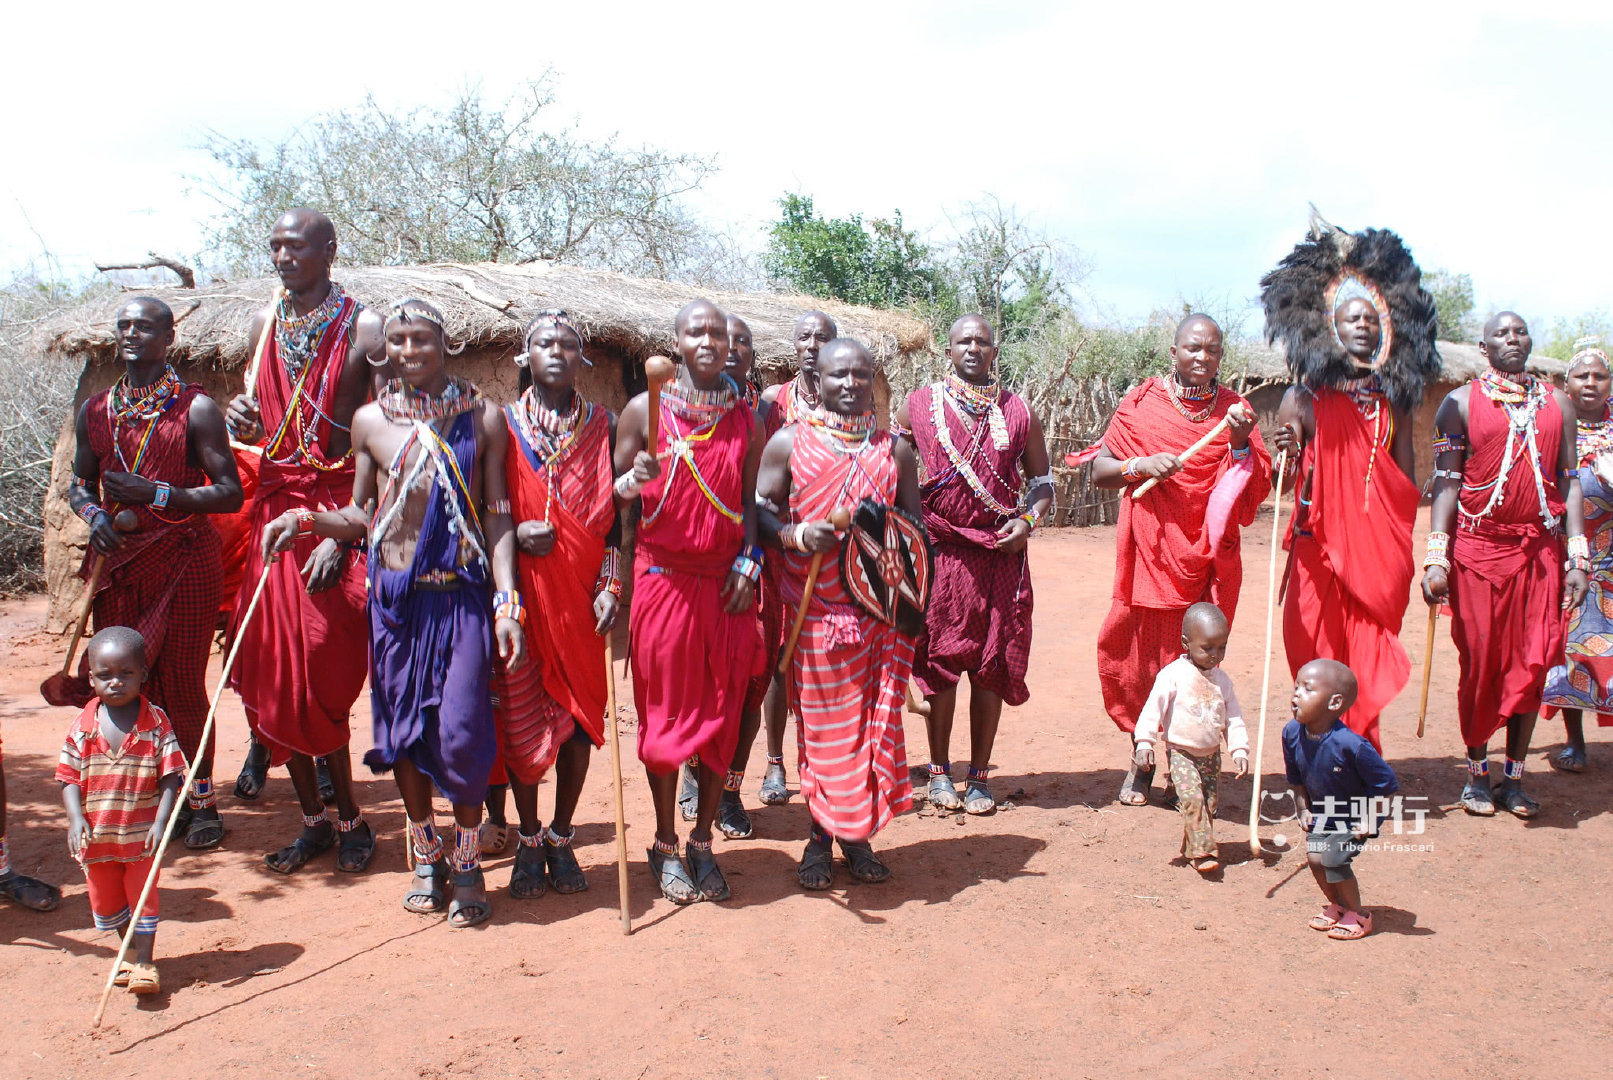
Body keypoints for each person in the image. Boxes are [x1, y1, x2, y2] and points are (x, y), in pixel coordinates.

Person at [262, 298, 525, 927]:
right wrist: (304, 519)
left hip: (458, 599)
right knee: (403, 734)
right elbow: (359, 515)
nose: (410, 351)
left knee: (462, 732)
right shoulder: (369, 422)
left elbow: (498, 516)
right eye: (399, 341)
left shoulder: (481, 417)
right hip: (395, 605)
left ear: (446, 346)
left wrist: (506, 600)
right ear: (385, 353)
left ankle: (468, 859)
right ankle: (427, 854)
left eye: (422, 339)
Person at [225, 208, 386, 875]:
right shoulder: (265, 325)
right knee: (274, 679)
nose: (283, 257)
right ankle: (318, 822)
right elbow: (261, 415)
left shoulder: (365, 328)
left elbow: (389, 435)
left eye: (296, 246)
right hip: (276, 516)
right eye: (275, 247)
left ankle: (352, 816)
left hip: (341, 513)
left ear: (329, 250)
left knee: (320, 671)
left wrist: (346, 538)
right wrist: (244, 414)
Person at [65, 297, 244, 850]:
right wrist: (93, 515)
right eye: (123, 325)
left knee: (183, 686)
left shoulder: (196, 410)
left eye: (144, 326)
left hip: (186, 558)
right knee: (128, 687)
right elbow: (77, 483)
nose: (131, 334)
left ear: (169, 336)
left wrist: (157, 493)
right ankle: (150, 797)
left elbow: (229, 493)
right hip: (119, 564)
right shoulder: (96, 411)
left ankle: (202, 800)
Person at [1074, 314, 1270, 806]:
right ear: (1174, 352)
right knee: (1141, 661)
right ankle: (1141, 762)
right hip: (1151, 552)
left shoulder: (1235, 412)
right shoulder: (1142, 405)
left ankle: (1191, 768)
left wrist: (1242, 443)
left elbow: (1255, 487)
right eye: (1193, 348)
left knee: (1198, 664)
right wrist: (1139, 465)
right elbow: (1100, 470)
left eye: (1213, 350)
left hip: (1206, 556)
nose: (1202, 357)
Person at [1263, 218, 1441, 751]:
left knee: (1359, 665)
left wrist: (1397, 540)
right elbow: (1284, 478)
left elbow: (1404, 472)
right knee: (1314, 662)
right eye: (1350, 318)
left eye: (1369, 318)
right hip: (1317, 555)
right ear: (1330, 328)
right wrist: (1286, 457)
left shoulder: (1396, 398)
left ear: (1384, 327)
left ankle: (1356, 762)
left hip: (1375, 552)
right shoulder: (1305, 398)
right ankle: (1313, 768)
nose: (1362, 325)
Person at [757, 338, 925, 888]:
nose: (849, 385)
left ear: (872, 379)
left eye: (859, 375)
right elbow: (759, 515)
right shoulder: (788, 442)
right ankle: (818, 836)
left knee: (869, 733)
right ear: (819, 379)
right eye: (838, 376)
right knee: (824, 734)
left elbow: (914, 534)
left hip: (877, 619)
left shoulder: (894, 450)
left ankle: (857, 837)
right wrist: (796, 533)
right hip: (818, 616)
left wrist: (886, 568)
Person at [614, 299, 763, 904]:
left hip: (726, 585)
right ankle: (664, 841)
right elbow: (612, 506)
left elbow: (753, 505)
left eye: (719, 334)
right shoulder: (641, 411)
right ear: (675, 341)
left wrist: (752, 561)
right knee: (667, 719)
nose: (709, 340)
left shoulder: (747, 420)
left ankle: (703, 839)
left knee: (722, 718)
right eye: (695, 332)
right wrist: (632, 481)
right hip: (664, 582)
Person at [1422, 312, 1588, 817]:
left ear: (1530, 341)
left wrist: (1577, 555)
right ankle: (1477, 773)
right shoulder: (1459, 404)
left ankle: (1513, 778)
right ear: (1483, 346)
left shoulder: (1558, 404)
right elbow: (1446, 484)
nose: (1512, 339)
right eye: (1502, 334)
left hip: (1540, 553)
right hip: (1475, 553)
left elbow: (1571, 482)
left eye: (1519, 332)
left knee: (1531, 665)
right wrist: (1435, 559)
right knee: (1480, 665)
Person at [896, 314, 1055, 816]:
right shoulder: (919, 405)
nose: (972, 348)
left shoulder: (1019, 410)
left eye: (982, 342)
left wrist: (1027, 522)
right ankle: (940, 772)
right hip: (942, 551)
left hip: (1001, 554)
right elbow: (893, 460)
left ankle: (980, 776)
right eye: (963, 340)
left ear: (994, 351)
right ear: (948, 351)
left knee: (991, 664)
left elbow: (1043, 482)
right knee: (940, 661)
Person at [689, 309, 837, 815]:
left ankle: (730, 788)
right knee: (703, 676)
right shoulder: (769, 404)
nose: (731, 350)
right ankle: (697, 774)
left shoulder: (765, 409)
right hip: (704, 563)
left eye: (743, 342)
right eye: (723, 340)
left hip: (770, 558)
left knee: (759, 670)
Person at [494, 310, 620, 897]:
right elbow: (483, 511)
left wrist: (612, 585)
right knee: (521, 729)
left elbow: (621, 525)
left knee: (578, 727)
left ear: (581, 360)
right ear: (525, 355)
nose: (556, 352)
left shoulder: (605, 425)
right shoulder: (500, 425)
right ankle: (526, 837)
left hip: (580, 602)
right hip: (522, 598)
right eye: (544, 343)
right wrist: (516, 535)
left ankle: (562, 836)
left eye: (569, 345)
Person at [57, 627, 185, 994]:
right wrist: (75, 818)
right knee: (108, 901)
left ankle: (146, 961)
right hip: (96, 841)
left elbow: (171, 777)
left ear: (143, 674)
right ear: (91, 677)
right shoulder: (82, 726)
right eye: (105, 675)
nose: (115, 683)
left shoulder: (156, 722)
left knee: (142, 895)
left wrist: (162, 821)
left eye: (125, 674)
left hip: (141, 836)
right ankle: (128, 953)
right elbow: (68, 777)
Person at [1282, 658, 1398, 941]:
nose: (1296, 694)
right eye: (1296, 687)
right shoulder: (1291, 733)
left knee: (1333, 859)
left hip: (1355, 814)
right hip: (1323, 812)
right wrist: (1302, 808)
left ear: (1334, 703)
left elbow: (1386, 784)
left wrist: (1370, 819)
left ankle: (1359, 915)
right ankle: (1339, 906)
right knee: (1315, 859)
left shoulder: (1352, 746)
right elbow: (1296, 779)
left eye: (1307, 689)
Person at [1131, 603, 1249, 874]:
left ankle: (1190, 846)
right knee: (1192, 799)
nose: (1215, 655)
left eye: (1222, 647)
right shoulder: (1172, 676)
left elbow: (1234, 718)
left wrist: (1239, 749)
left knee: (1209, 804)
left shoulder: (1223, 681)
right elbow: (1152, 709)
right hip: (1181, 751)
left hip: (1211, 754)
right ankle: (1202, 851)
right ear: (1186, 642)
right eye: (1207, 648)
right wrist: (1145, 742)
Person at [1544, 341, 1613, 771]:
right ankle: (1575, 741)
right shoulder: (1553, 426)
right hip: (1568, 560)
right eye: (1582, 376)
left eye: (1599, 376)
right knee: (1571, 649)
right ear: (1566, 384)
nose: (1590, 383)